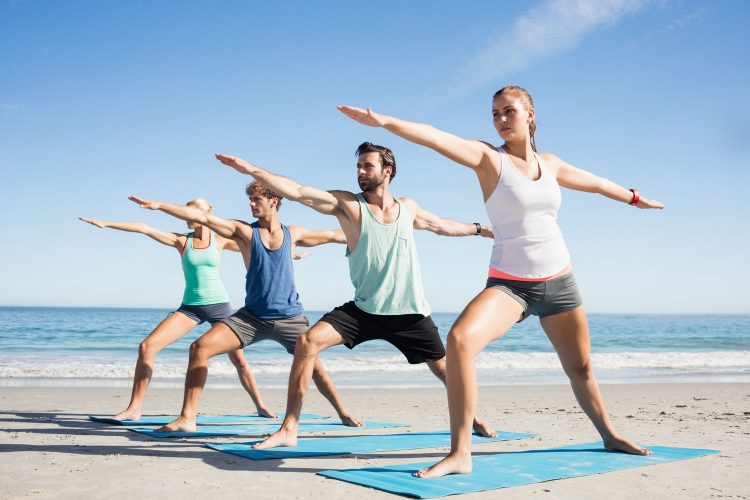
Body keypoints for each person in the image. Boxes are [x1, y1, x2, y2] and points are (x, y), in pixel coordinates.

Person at [338, 85, 664, 477]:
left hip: (560, 281)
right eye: (495, 114)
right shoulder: (489, 159)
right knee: (459, 341)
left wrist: (632, 197)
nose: (500, 120)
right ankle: (461, 453)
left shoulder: (551, 164)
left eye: (508, 111)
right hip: (512, 285)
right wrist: (384, 122)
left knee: (581, 369)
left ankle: (610, 435)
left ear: (529, 113)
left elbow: (593, 182)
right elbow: (436, 138)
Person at [214, 142, 497, 450]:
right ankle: (289, 428)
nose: (360, 172)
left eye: (367, 166)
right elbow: (298, 191)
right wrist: (251, 169)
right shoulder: (349, 205)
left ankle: (473, 418)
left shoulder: (408, 208)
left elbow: (443, 226)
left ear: (387, 171)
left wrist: (481, 229)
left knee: (444, 370)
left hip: (409, 312)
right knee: (307, 342)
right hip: (364, 310)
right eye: (358, 167)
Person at [128, 181, 360, 432]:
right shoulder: (244, 233)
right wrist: (159, 205)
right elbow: (198, 216)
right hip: (251, 319)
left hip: (291, 318)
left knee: (316, 371)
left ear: (273, 201)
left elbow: (336, 235)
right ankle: (187, 418)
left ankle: (343, 412)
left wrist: (376, 230)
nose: (251, 204)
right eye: (249, 199)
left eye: (256, 199)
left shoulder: (295, 234)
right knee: (199, 348)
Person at [79, 198, 275, 421]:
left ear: (208, 212)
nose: (186, 216)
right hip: (190, 307)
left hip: (220, 307)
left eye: (192, 212)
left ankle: (260, 405)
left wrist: (290, 254)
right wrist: (106, 223)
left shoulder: (220, 240)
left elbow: (257, 247)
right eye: (185, 212)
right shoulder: (182, 241)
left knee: (239, 360)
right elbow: (144, 228)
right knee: (147, 347)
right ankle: (134, 409)